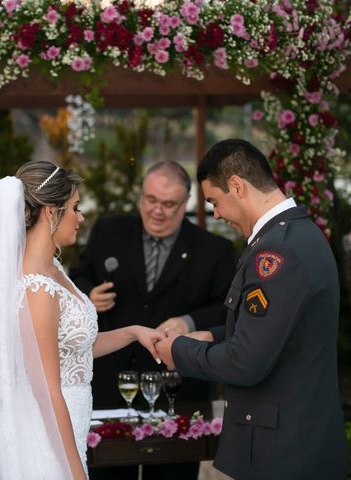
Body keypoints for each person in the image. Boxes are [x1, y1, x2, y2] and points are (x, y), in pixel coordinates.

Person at [0, 161, 165, 480]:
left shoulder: (54, 271)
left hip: (66, 430)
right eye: (75, 208)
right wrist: (75, 471)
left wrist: (134, 332)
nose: (81, 218)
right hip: (43, 441)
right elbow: (47, 389)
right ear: (50, 212)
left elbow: (74, 351)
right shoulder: (37, 289)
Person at [155, 139, 351, 480]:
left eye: (215, 201)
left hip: (284, 453)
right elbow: (279, 331)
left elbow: (245, 362)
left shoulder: (276, 254)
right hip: (296, 441)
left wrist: (180, 351)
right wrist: (211, 336)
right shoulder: (300, 234)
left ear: (237, 186)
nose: (216, 214)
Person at [72, 161, 235, 480]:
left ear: (186, 203)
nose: (157, 211)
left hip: (179, 391)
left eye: (169, 204)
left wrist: (189, 321)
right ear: (140, 197)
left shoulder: (215, 249)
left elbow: (229, 310)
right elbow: (78, 275)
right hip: (111, 387)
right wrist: (89, 294)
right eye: (150, 200)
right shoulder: (109, 230)